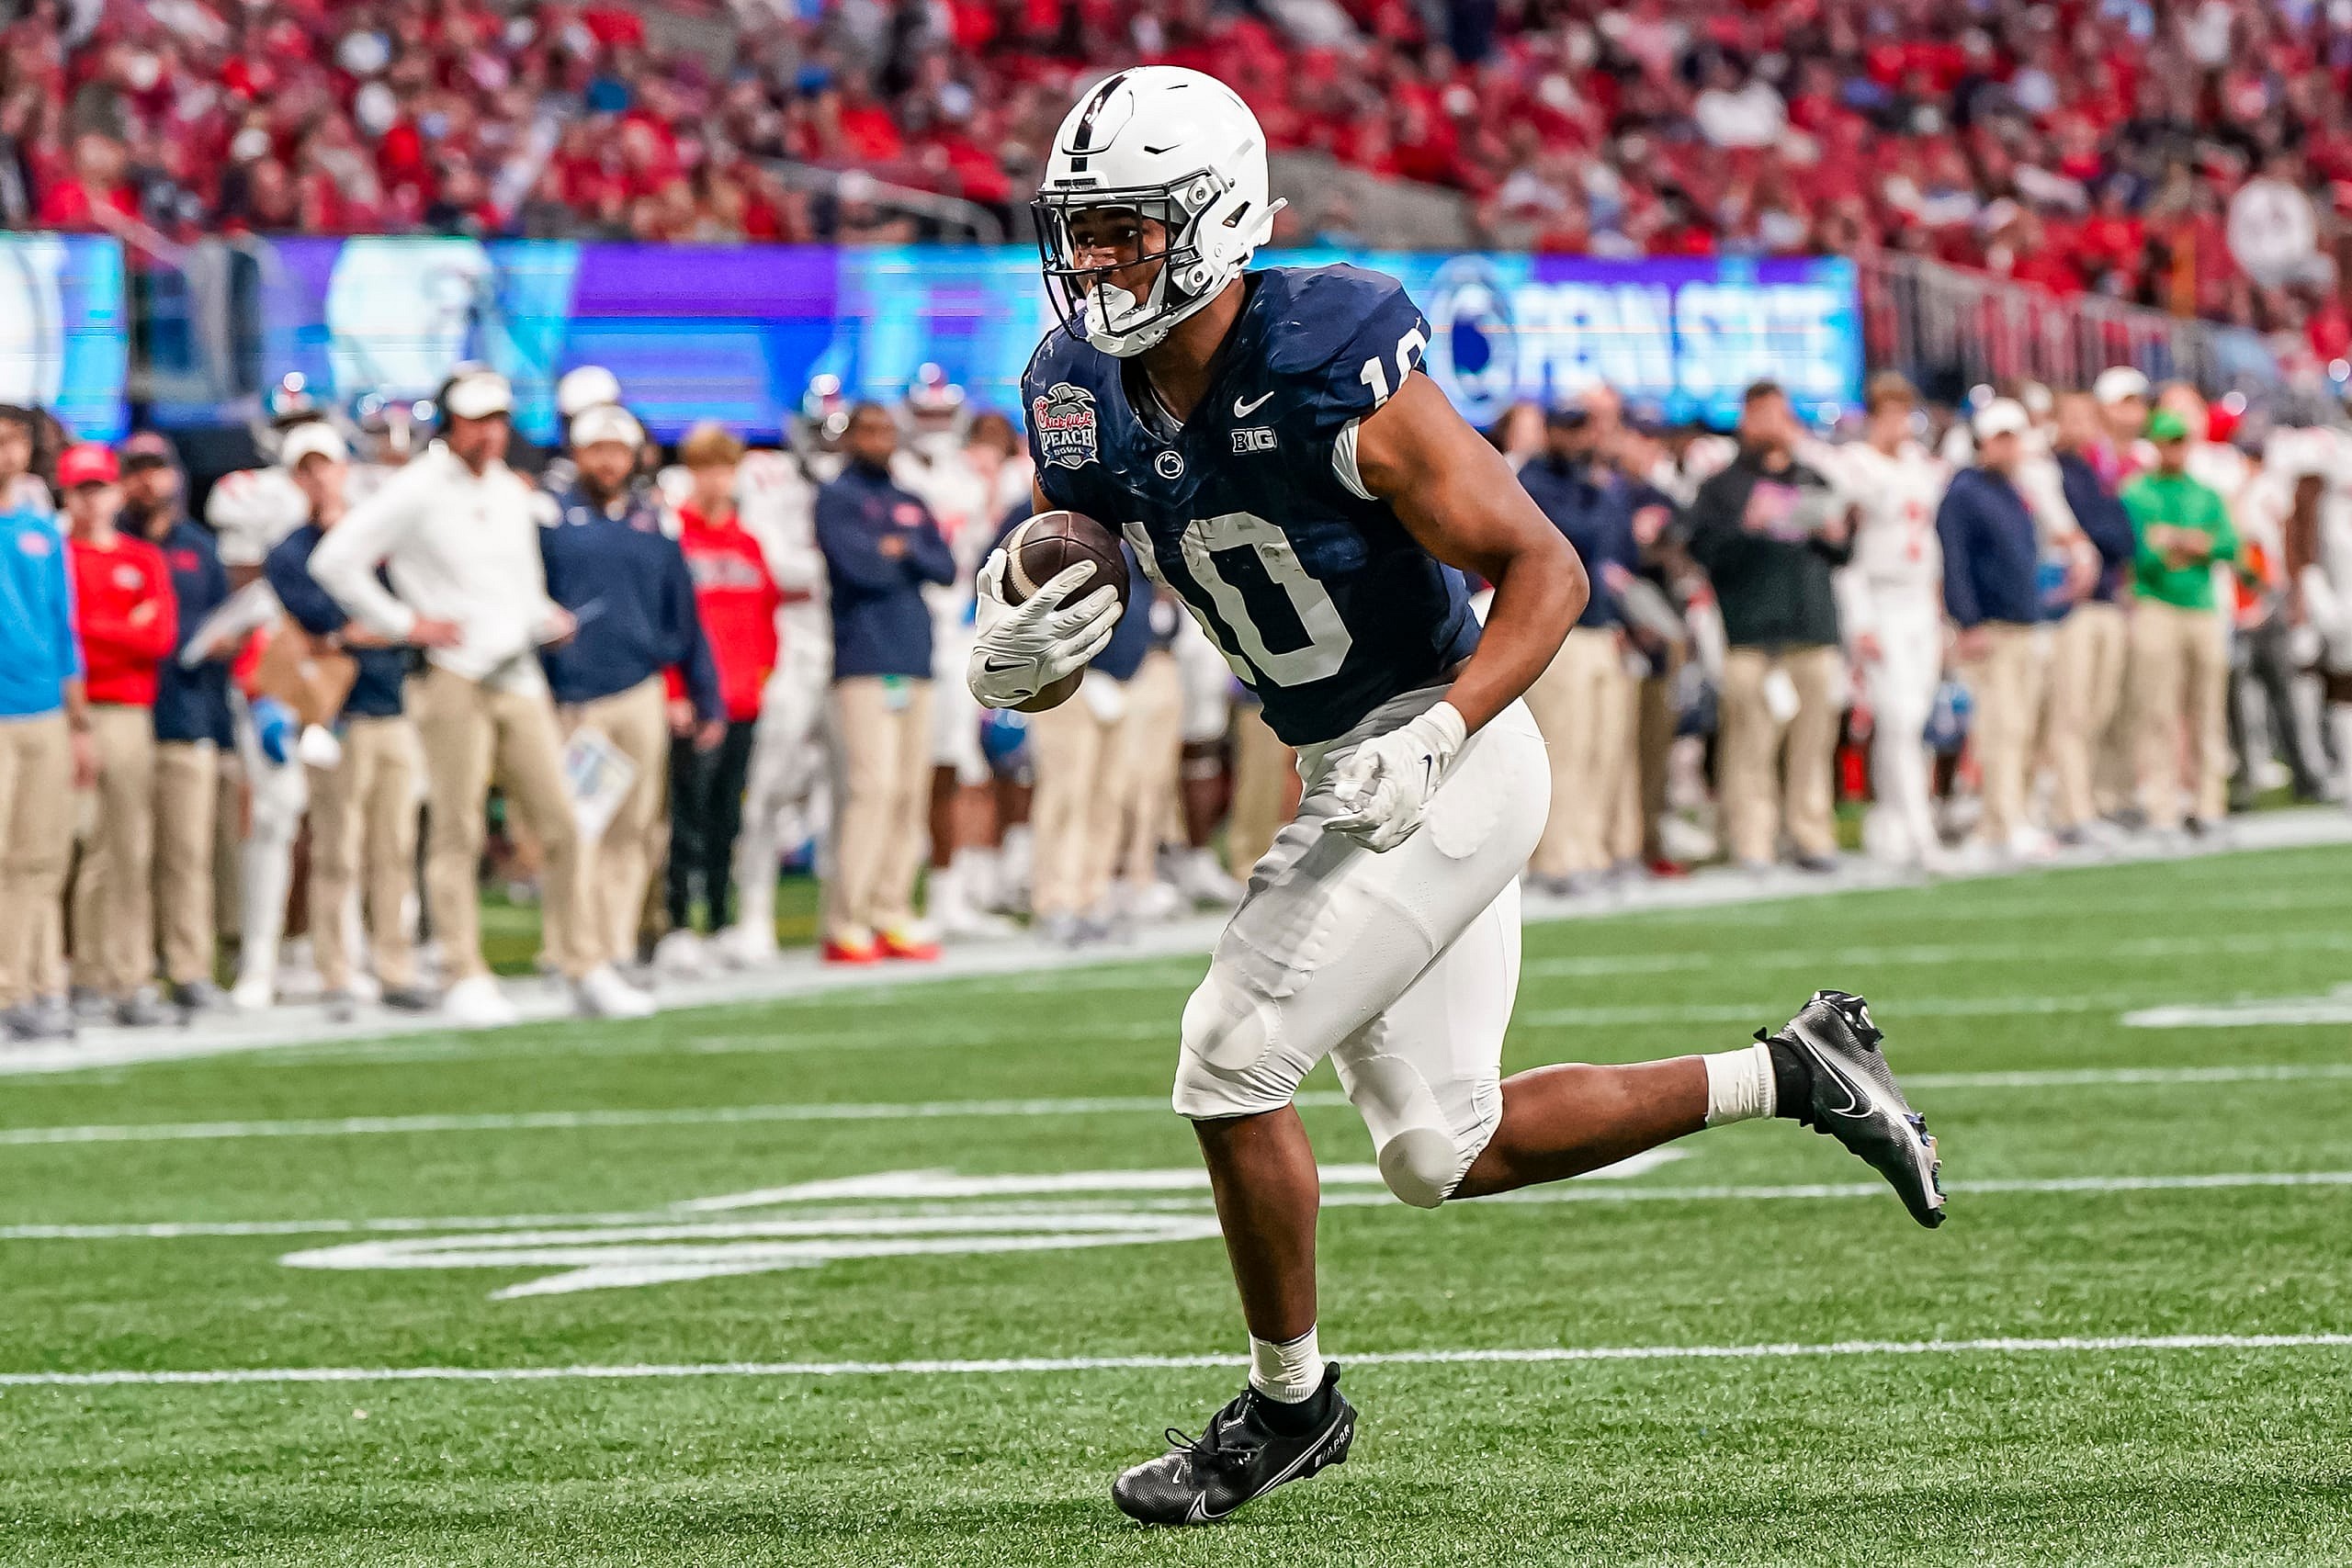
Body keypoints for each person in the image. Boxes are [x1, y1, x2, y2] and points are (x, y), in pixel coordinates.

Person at [984, 66, 1944, 1527]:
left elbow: (1547, 565)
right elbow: (1089, 560)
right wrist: (1019, 627)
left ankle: (1288, 1405)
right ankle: (1797, 1068)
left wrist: (1440, 728)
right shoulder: (1073, 390)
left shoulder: (1328, 355)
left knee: (1229, 1053)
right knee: (1445, 1145)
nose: (1100, 260)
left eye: (1129, 229)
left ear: (1219, 220)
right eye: (1086, 230)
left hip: (1448, 747)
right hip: (1342, 757)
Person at [308, 367, 639, 1025]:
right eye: (477, 421)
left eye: (498, 420)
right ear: (449, 424)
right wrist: (405, 624)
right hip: (453, 672)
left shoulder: (512, 492)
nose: (490, 433)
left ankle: (585, 961)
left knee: (564, 820)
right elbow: (335, 560)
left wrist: (543, 615)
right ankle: (462, 970)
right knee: (456, 829)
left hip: (518, 669)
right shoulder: (419, 488)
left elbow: (516, 578)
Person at [537, 401, 722, 987]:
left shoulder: (654, 523)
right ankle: (569, 944)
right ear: (578, 453)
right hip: (577, 693)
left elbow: (684, 616)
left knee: (637, 828)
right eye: (597, 449)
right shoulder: (548, 516)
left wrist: (704, 693)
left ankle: (613, 946)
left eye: (617, 450)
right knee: (575, 825)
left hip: (640, 689)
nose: (608, 461)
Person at [262, 423, 436, 1019]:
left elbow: (401, 608)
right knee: (338, 847)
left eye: (325, 465)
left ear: (341, 469)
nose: (318, 477)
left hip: (391, 701)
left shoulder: (374, 537)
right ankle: (336, 970)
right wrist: (370, 626)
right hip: (336, 711)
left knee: (395, 844)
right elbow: (326, 623)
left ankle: (396, 965)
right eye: (305, 468)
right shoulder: (288, 552)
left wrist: (373, 626)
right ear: (295, 478)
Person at [1685, 381, 1854, 873]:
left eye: (1778, 414)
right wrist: (1748, 527)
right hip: (1751, 632)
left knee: (1813, 741)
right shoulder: (1722, 488)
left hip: (1811, 627)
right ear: (1745, 419)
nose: (1771, 425)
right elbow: (1703, 553)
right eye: (1761, 414)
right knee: (1751, 743)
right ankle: (1753, 841)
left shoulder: (1813, 478)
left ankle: (1811, 834)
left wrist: (1836, 534)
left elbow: (1842, 555)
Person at [815, 401, 956, 964]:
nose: (880, 440)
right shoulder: (837, 498)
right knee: (869, 791)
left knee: (907, 792)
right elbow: (860, 568)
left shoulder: (908, 499)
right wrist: (901, 553)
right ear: (849, 438)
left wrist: (902, 549)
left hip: (913, 657)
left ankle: (890, 908)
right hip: (864, 661)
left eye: (886, 431)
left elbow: (944, 566)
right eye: (868, 430)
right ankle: (847, 917)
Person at [61, 443, 176, 1026]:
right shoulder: (58, 557)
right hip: (79, 712)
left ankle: (129, 974)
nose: (93, 499)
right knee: (87, 847)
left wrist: (95, 630)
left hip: (131, 711)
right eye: (82, 489)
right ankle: (88, 971)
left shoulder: (143, 558)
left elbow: (159, 639)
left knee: (132, 846)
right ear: (68, 495)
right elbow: (66, 632)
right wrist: (117, 626)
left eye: (99, 487)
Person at [121, 433, 232, 1012]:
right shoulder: (109, 544)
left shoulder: (199, 549)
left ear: (174, 475)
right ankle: (130, 972)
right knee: (127, 854)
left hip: (190, 715)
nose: (147, 480)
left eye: (155, 469)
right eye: (135, 469)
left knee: (188, 855)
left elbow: (225, 628)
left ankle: (190, 969)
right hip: (128, 712)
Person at [665, 423, 779, 960]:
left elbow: (765, 618)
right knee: (685, 816)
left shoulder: (749, 542)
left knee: (727, 818)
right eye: (708, 467)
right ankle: (678, 925)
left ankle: (719, 919)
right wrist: (676, 689)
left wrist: (761, 677)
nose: (719, 479)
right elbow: (669, 623)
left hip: (743, 700)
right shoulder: (676, 538)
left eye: (726, 468)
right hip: (696, 699)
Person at [1517, 400, 1639, 895]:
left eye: (1581, 429)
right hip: (1559, 632)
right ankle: (1556, 859)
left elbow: (1622, 552)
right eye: (1566, 430)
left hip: (1603, 629)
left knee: (1602, 748)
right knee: (1562, 748)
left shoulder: (1601, 485)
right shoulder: (1536, 482)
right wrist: (1596, 494)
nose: (1576, 440)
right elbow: (1566, 542)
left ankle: (1591, 849)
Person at [1831, 374, 1949, 869]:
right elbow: (1846, 546)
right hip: (1878, 597)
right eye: (1892, 412)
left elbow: (1930, 537)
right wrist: (1859, 619)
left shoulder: (1920, 467)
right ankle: (1920, 832)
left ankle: (1893, 823)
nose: (1902, 424)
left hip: (1919, 599)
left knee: (1912, 719)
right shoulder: (1855, 465)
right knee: (1897, 717)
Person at [0, 406, 86, 1043]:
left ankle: (38, 982)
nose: (9, 454)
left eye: (16, 442)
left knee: (41, 855)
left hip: (45, 710)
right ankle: (7, 987)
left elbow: (64, 626)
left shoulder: (41, 532)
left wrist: (78, 721)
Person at [1937, 400, 2051, 856]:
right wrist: (1968, 621)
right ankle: (2006, 822)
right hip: (1992, 627)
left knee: (2018, 728)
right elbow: (1955, 561)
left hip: (2021, 622)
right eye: (2001, 437)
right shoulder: (1964, 492)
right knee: (2000, 729)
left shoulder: (2010, 491)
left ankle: (2002, 820)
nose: (2011, 446)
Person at [2121, 408, 2240, 835]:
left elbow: (2228, 545)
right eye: (2168, 440)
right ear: (2154, 444)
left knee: (2208, 709)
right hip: (2157, 605)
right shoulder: (2137, 493)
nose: (2175, 449)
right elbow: (2144, 555)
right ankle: (2162, 806)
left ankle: (2210, 804)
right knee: (2158, 709)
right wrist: (2194, 543)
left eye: (2181, 440)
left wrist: (2178, 540)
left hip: (2202, 605)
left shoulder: (2205, 493)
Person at [2048, 392, 2139, 840]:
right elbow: (2081, 529)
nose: (2083, 425)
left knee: (2099, 710)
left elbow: (2123, 536)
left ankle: (2091, 801)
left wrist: (2102, 536)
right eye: (2074, 416)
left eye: (2089, 417)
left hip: (2106, 600)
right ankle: (2072, 810)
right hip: (2072, 606)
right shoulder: (2050, 472)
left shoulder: (2095, 473)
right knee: (2072, 711)